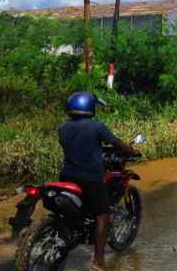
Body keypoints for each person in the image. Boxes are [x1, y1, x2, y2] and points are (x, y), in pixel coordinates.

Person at [58, 92, 139, 271]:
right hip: (90, 179)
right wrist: (131, 151)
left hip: (66, 176)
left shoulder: (62, 128)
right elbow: (116, 143)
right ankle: (98, 261)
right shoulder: (96, 126)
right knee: (103, 215)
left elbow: (80, 146)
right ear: (89, 107)